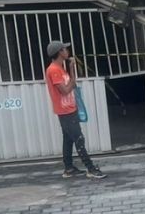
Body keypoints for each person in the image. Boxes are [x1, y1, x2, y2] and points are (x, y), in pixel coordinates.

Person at [44, 41, 105, 179]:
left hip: (69, 109)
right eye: (65, 49)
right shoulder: (54, 70)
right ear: (60, 52)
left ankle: (69, 168)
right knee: (79, 138)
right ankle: (90, 168)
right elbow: (65, 90)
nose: (67, 51)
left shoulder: (59, 68)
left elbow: (71, 84)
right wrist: (72, 71)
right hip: (65, 111)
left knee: (68, 139)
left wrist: (71, 72)